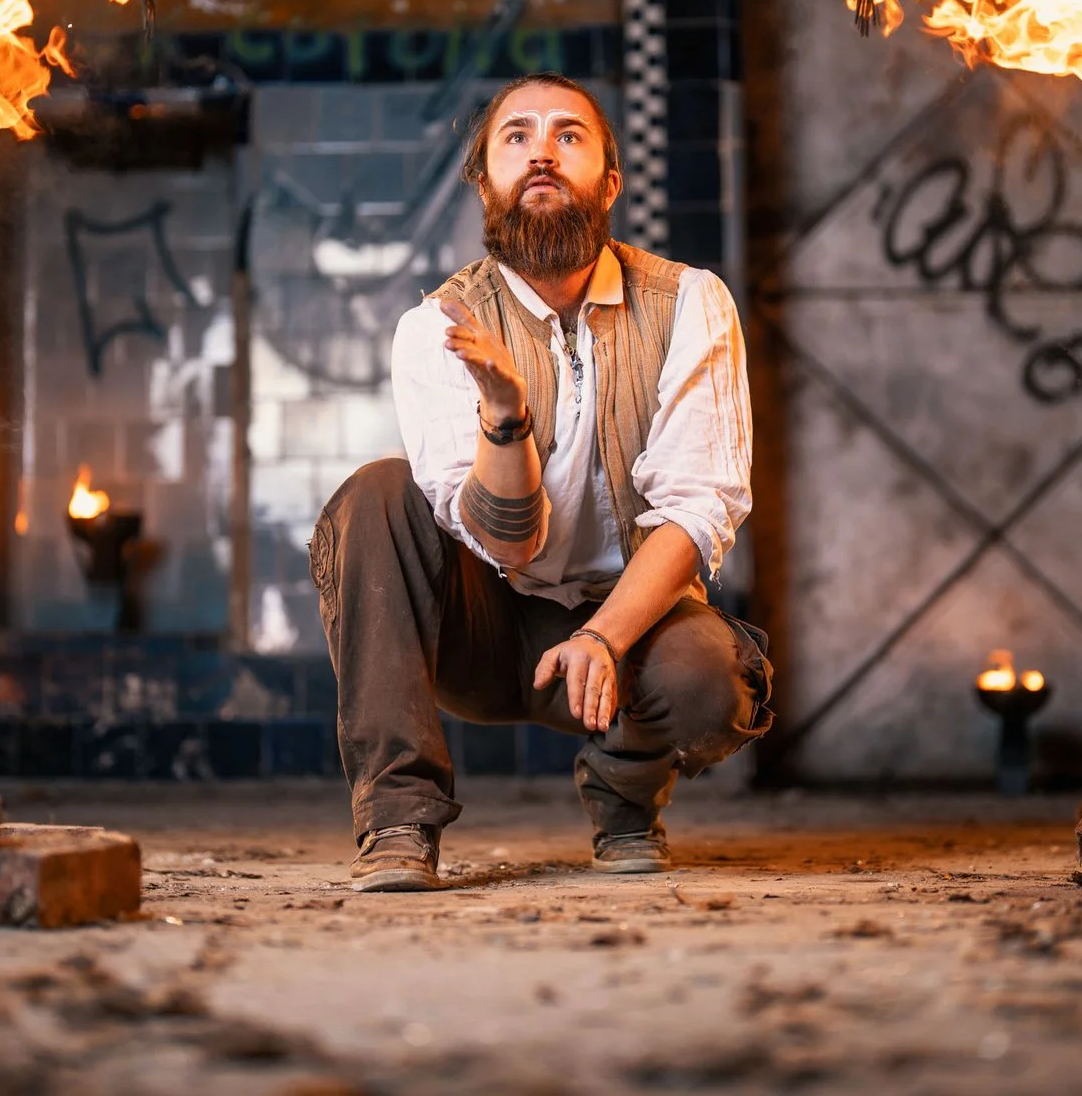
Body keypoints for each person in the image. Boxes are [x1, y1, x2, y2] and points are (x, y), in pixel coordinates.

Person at [310, 71, 772, 892]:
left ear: (610, 181)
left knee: (711, 679)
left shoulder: (690, 302)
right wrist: (504, 415)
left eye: (569, 136)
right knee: (377, 495)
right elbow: (503, 536)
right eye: (516, 138)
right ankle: (398, 821)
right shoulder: (438, 328)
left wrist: (603, 635)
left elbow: (700, 508)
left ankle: (626, 800)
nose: (543, 156)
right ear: (484, 180)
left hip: (626, 629)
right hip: (481, 633)